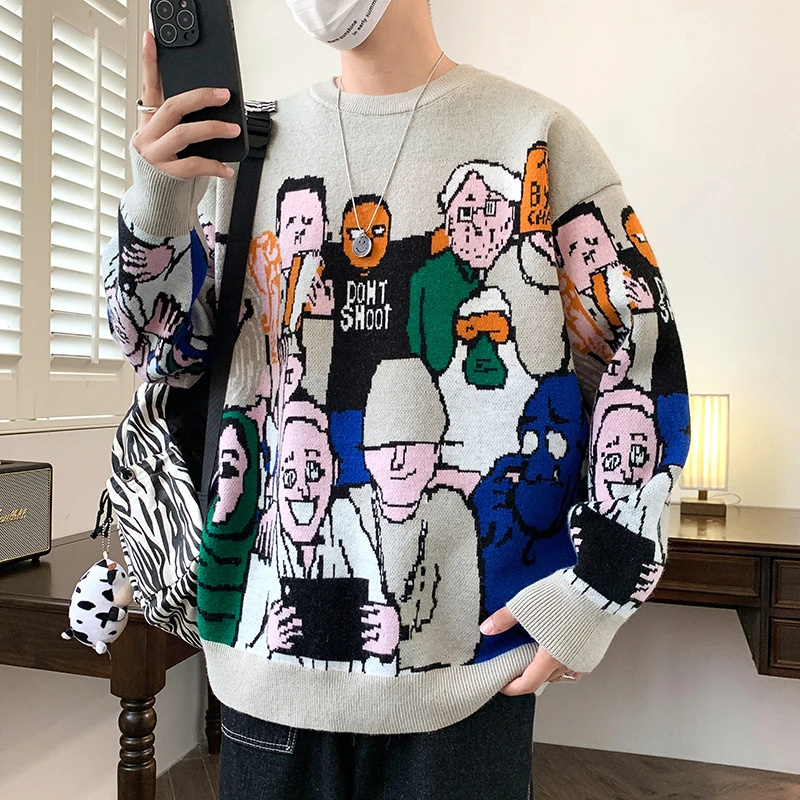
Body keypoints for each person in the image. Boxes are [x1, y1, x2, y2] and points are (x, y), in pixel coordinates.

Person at [101, 0, 691, 797]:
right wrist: (158, 200)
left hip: (468, 686)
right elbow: (161, 353)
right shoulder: (245, 149)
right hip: (262, 669)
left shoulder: (538, 136)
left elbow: (643, 363)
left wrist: (597, 591)